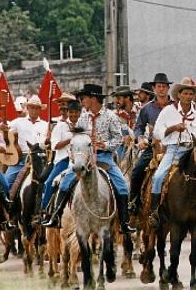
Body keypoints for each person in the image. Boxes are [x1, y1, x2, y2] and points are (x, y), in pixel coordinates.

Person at [43, 84, 135, 233]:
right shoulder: (83, 118)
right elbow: (76, 137)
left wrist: (104, 145)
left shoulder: (111, 117)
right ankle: (56, 216)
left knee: (122, 185)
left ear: (93, 98)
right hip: (83, 158)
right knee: (65, 181)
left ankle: (124, 222)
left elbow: (118, 139)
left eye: (83, 97)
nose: (81, 101)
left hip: (104, 158)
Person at [148, 78, 196, 229]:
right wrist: (173, 128)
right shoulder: (168, 111)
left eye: (191, 93)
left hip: (194, 151)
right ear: (179, 95)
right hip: (174, 150)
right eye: (186, 93)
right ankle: (154, 212)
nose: (189, 96)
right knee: (158, 176)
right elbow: (157, 132)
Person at [127, 73, 174, 214]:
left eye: (164, 86)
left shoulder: (175, 106)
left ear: (168, 88)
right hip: (153, 147)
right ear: (154, 89)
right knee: (136, 171)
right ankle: (133, 202)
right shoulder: (147, 109)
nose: (161, 89)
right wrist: (140, 139)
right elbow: (138, 127)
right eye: (159, 86)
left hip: (173, 146)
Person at [40, 100, 81, 213]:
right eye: (71, 112)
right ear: (68, 112)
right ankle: (44, 211)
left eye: (76, 112)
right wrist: (70, 139)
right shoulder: (60, 126)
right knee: (49, 183)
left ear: (79, 113)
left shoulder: (83, 126)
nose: (73, 115)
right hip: (63, 161)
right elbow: (55, 146)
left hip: (79, 160)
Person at [1, 96, 48, 190]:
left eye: (37, 108)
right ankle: (6, 203)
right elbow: (4, 130)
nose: (34, 110)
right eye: (32, 107)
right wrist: (2, 128)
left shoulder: (46, 125)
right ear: (28, 108)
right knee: (6, 183)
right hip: (21, 160)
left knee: (50, 184)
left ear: (40, 110)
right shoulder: (18, 122)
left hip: (41, 161)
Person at [111, 85, 138, 160]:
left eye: (119, 98)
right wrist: (122, 139)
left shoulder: (140, 111)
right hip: (122, 146)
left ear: (127, 98)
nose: (117, 101)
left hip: (138, 144)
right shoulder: (114, 114)